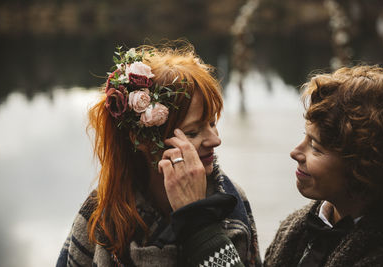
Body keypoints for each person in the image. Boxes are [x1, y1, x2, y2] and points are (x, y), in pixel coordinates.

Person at [56, 42, 260, 267]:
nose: (215, 140)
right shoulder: (100, 216)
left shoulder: (231, 200)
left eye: (212, 123)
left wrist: (200, 222)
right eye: (193, 132)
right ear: (141, 139)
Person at [263, 65, 383, 266]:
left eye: (314, 146)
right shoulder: (293, 229)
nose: (295, 153)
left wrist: (209, 237)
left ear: (361, 165)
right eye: (304, 137)